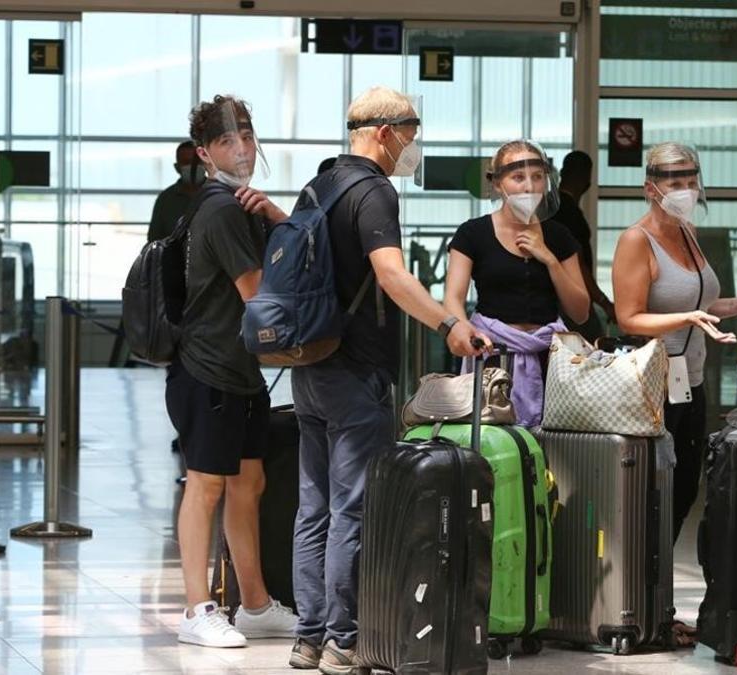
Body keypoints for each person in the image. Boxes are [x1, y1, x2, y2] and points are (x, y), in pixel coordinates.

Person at [289, 86, 489, 675]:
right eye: (411, 133)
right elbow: (394, 278)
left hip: (310, 363)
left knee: (315, 508)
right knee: (352, 508)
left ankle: (307, 636)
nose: (413, 146)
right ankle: (342, 640)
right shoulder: (374, 192)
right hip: (354, 371)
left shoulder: (319, 184)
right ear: (384, 133)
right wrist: (450, 322)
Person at [611, 141, 737, 646]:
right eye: (672, 180)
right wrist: (686, 319)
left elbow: (701, 300)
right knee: (651, 499)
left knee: (682, 495)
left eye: (690, 179)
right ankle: (643, 608)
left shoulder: (689, 235)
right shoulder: (637, 240)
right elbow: (628, 316)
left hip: (690, 384)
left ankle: (659, 605)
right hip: (651, 388)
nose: (683, 189)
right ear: (649, 186)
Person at [170, 95, 297, 648]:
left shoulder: (243, 205)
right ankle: (196, 608)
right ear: (204, 152)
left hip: (239, 373)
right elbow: (258, 295)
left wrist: (274, 215)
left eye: (245, 135)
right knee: (207, 485)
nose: (241, 147)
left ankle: (254, 604)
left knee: (249, 482)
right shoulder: (220, 208)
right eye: (226, 140)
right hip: (208, 370)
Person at [444, 139, 589, 428]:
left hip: (550, 361)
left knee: (550, 451)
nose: (528, 187)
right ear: (498, 184)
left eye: (537, 177)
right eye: (518, 177)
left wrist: (549, 259)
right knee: (493, 446)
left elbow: (581, 310)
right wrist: (463, 330)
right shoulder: (473, 233)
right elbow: (452, 298)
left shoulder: (558, 235)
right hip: (491, 356)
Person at [554, 150, 615, 342]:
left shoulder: (553, 209)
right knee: (591, 347)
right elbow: (577, 264)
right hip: (570, 300)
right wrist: (604, 303)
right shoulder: (568, 214)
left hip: (558, 300)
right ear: (587, 178)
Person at [148, 140, 206, 242]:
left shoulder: (220, 194)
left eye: (196, 162)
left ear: (205, 162)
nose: (192, 166)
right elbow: (154, 240)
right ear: (177, 167)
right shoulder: (166, 199)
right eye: (186, 162)